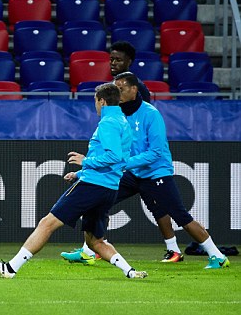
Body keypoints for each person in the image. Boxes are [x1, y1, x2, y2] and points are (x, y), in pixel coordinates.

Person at [0, 83, 147, 279]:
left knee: (47, 223)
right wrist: (79, 173)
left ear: (102, 101)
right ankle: (130, 271)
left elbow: (114, 156)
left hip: (92, 186)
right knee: (96, 241)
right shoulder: (122, 121)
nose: (94, 105)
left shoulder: (108, 122)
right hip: (109, 188)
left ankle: (10, 268)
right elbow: (120, 160)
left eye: (95, 101)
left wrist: (85, 161)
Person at [62, 42, 182, 263]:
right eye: (111, 59)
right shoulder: (114, 88)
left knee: (159, 207)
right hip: (128, 163)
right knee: (102, 201)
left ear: (129, 62)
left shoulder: (136, 89)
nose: (113, 63)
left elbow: (140, 122)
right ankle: (90, 250)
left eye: (118, 59)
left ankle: (173, 248)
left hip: (142, 162)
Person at [111, 72, 228, 269]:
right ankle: (91, 250)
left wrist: (126, 163)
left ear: (134, 90)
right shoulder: (120, 114)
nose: (117, 92)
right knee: (102, 199)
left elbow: (156, 152)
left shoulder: (151, 114)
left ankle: (217, 255)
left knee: (180, 216)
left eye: (121, 88)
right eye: (115, 89)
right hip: (134, 173)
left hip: (156, 173)